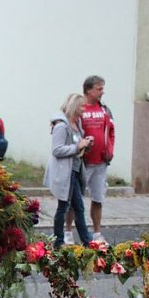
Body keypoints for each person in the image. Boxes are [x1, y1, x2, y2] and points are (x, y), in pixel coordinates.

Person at [64, 75, 114, 244]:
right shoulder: (79, 108)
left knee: (98, 198)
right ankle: (68, 232)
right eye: (99, 89)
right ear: (89, 90)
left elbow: (111, 131)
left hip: (100, 161)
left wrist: (110, 150)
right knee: (74, 199)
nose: (102, 92)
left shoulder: (105, 109)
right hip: (82, 162)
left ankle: (97, 233)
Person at [44, 93, 93, 248]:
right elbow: (57, 150)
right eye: (81, 106)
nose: (83, 109)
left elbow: (76, 144)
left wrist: (85, 144)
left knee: (74, 206)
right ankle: (65, 240)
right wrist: (77, 146)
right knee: (67, 206)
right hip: (66, 172)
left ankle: (83, 240)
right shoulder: (61, 126)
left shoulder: (76, 124)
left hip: (76, 170)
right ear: (74, 106)